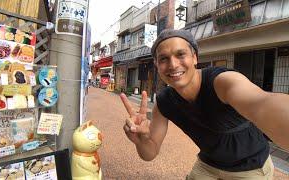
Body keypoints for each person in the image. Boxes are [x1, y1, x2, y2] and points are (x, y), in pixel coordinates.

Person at [120, 29, 289, 180]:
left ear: (194, 57)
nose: (173, 64)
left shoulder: (222, 82)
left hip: (251, 168)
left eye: (180, 55)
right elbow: (150, 153)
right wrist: (140, 140)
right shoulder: (164, 102)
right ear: (157, 65)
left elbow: (261, 102)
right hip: (208, 165)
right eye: (164, 59)